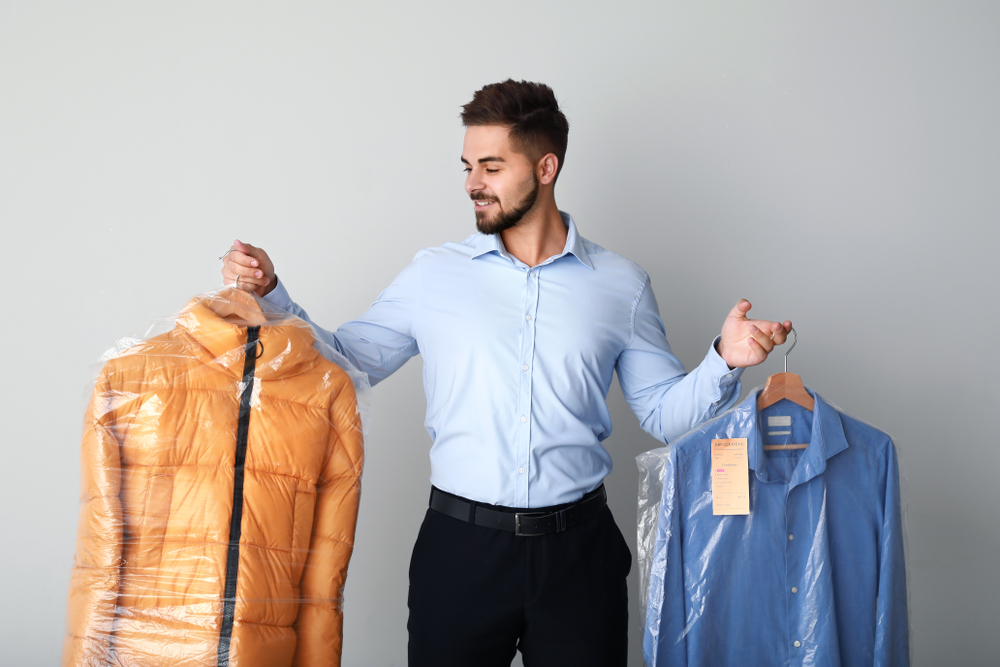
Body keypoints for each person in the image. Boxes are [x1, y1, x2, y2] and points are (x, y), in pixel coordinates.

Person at [222, 79, 791, 666]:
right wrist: (272, 294)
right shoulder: (433, 276)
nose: (473, 183)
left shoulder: (621, 284)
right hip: (460, 550)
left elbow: (664, 413)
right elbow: (345, 362)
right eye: (468, 166)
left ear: (545, 168)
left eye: (491, 166)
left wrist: (723, 359)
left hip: (580, 554)